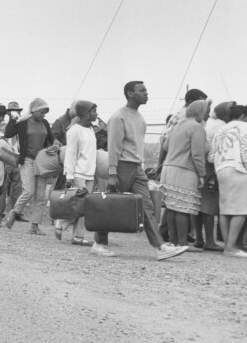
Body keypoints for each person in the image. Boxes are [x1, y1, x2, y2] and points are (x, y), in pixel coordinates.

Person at [93, 81, 188, 261]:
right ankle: (99, 242)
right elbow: (113, 147)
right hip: (121, 166)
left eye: (146, 90)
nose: (146, 93)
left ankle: (160, 247)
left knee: (147, 206)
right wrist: (112, 173)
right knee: (112, 205)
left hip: (137, 168)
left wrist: (141, 167)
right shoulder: (118, 117)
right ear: (130, 93)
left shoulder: (140, 118)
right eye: (141, 90)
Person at [159, 100, 209, 248]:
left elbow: (166, 146)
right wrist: (202, 174)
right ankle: (182, 243)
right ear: (200, 112)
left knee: (172, 207)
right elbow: (197, 154)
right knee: (183, 209)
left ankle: (174, 241)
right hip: (185, 170)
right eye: (205, 111)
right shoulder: (196, 127)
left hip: (169, 169)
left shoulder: (177, 126)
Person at [4, 98, 57, 235]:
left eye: (45, 112)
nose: (44, 115)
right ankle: (15, 212)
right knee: (29, 191)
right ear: (33, 111)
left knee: (40, 196)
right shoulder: (22, 123)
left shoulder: (44, 123)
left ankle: (34, 226)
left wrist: (56, 144)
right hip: (27, 160)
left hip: (42, 162)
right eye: (41, 112)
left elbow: (51, 139)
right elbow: (8, 133)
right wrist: (12, 119)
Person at [211, 103, 247, 258]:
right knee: (241, 209)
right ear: (243, 116)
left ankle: (228, 245)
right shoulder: (244, 127)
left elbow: (211, 155)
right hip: (239, 169)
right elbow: (245, 151)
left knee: (225, 209)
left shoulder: (220, 129)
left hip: (221, 169)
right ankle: (231, 248)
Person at [61, 101, 99, 246]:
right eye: (94, 111)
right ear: (86, 114)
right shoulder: (74, 131)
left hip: (89, 173)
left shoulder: (90, 129)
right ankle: (75, 234)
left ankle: (64, 226)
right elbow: (70, 154)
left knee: (84, 207)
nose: (97, 114)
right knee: (81, 206)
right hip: (78, 174)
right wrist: (69, 176)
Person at [199, 101, 234, 252]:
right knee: (209, 205)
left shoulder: (210, 124)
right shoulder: (221, 127)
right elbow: (215, 153)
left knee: (200, 205)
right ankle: (210, 241)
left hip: (203, 166)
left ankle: (200, 240)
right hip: (212, 168)